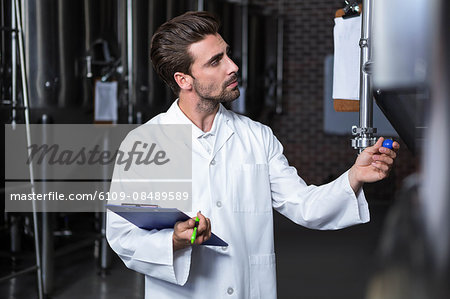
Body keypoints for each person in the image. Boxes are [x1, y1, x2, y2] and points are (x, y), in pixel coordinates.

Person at [106, 11, 399, 299]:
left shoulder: (257, 136)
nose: (233, 66)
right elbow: (123, 235)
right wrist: (173, 240)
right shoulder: (143, 143)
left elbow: (304, 205)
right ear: (184, 80)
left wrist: (354, 176)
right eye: (215, 61)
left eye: (227, 54)